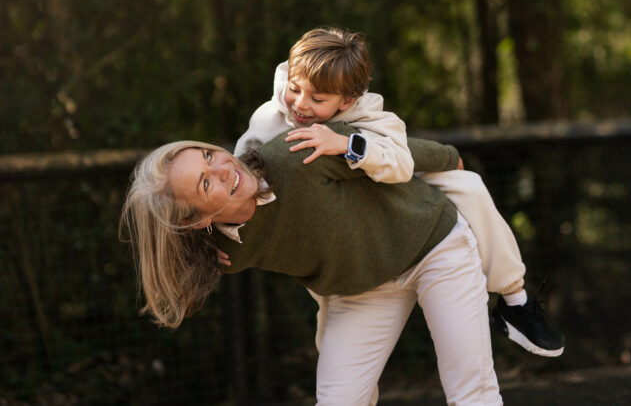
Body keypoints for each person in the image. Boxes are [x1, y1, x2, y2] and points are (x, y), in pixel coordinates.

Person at [233, 27, 564, 357]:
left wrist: (346, 144)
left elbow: (401, 161)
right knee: (334, 316)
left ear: (347, 99)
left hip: (374, 187)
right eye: (294, 89)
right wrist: (223, 227)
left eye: (318, 99)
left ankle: (514, 300)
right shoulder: (270, 118)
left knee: (469, 184)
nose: (300, 104)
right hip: (328, 224)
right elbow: (238, 170)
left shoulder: (366, 112)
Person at [120, 123, 502, 405]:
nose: (223, 168)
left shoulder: (298, 154)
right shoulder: (223, 251)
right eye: (206, 184)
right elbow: (181, 259)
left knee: (471, 391)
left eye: (208, 155)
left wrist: (449, 158)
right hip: (363, 288)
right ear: (195, 222)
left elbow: (382, 146)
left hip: (433, 243)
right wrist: (203, 256)